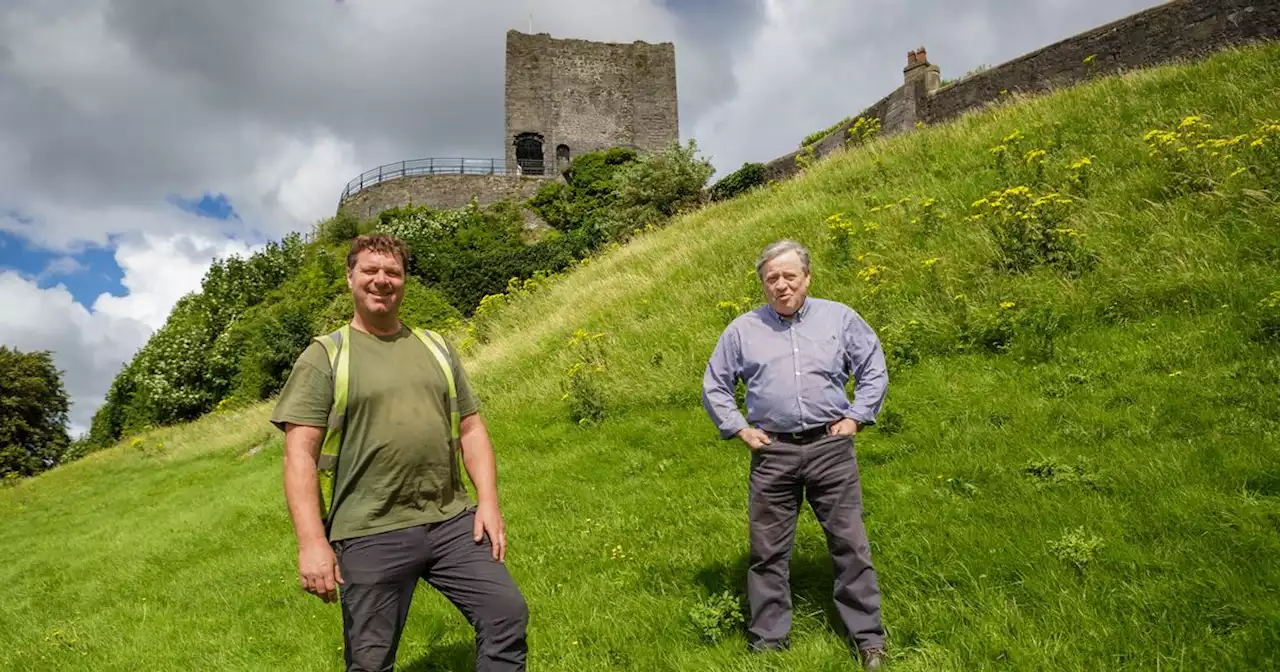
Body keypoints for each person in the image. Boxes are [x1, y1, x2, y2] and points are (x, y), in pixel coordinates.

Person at [271, 233, 528, 672]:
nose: (381, 280)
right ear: (350, 277)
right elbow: (299, 454)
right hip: (369, 530)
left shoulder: (436, 346)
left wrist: (488, 503)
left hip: (451, 522)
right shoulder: (324, 356)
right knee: (370, 661)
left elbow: (472, 428)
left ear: (405, 281)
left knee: (506, 614)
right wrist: (312, 542)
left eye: (392, 272)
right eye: (370, 270)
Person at [701, 239, 889, 670]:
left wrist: (857, 416)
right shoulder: (743, 330)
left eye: (789, 276)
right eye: (772, 279)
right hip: (774, 453)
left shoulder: (840, 319)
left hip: (830, 448)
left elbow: (873, 367)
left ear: (806, 277)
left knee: (849, 544)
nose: (781, 286)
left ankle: (868, 639)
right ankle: (770, 639)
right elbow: (715, 385)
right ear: (763, 285)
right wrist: (740, 429)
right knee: (767, 551)